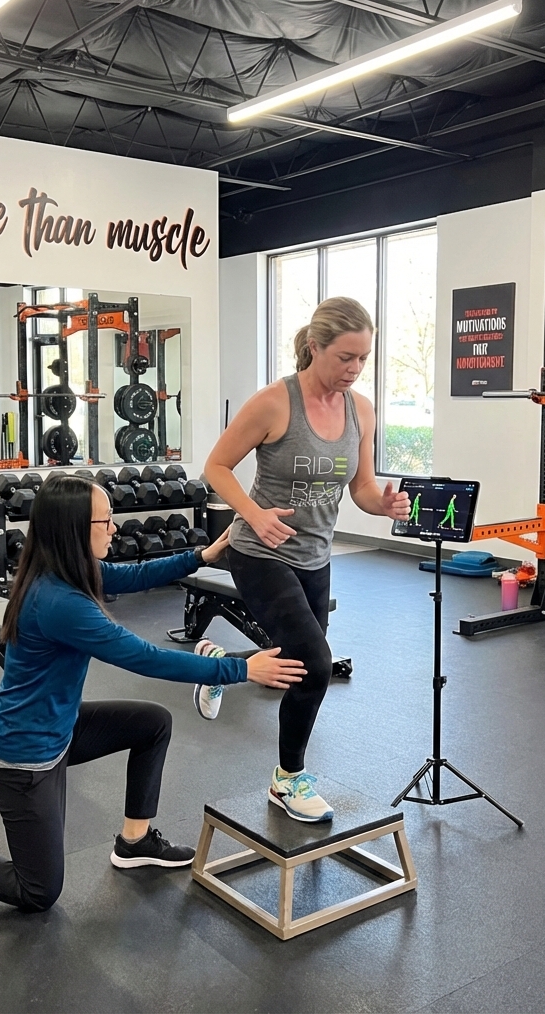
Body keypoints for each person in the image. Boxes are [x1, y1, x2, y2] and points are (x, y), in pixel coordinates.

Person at [0, 475, 305, 912]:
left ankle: (135, 842)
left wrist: (201, 555)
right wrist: (239, 668)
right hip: (23, 759)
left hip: (59, 730)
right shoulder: (61, 601)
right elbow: (143, 657)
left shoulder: (65, 571)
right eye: (106, 520)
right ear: (75, 530)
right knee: (38, 891)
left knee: (152, 724)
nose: (114, 529)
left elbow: (133, 574)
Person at [200, 296, 410, 824]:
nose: (355, 369)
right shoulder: (275, 403)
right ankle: (288, 779)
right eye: (345, 357)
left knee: (292, 667)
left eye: (363, 358)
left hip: (315, 556)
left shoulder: (361, 409)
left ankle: (218, 666)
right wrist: (253, 513)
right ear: (314, 347)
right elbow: (217, 466)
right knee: (315, 664)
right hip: (258, 551)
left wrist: (381, 506)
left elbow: (361, 487)